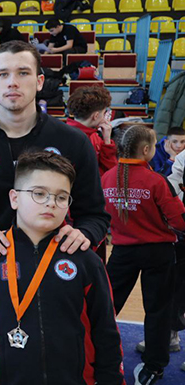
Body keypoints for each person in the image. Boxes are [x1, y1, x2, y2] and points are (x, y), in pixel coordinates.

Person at [0, 151, 125, 384]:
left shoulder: (85, 260)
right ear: (14, 199)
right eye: (39, 193)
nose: (51, 202)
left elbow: (106, 331)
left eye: (61, 197)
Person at [0, 40, 110, 280]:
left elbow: (95, 215)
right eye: (3, 74)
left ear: (39, 81)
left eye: (23, 73)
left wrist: (84, 233)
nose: (13, 82)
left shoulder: (74, 142)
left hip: (57, 273)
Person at [103, 124, 185, 385]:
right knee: (158, 311)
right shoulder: (157, 181)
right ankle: (153, 368)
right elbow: (179, 221)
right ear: (147, 149)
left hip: (122, 251)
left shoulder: (107, 178)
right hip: (158, 253)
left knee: (106, 305)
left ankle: (94, 354)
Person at [66, 85, 117, 175]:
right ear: (96, 116)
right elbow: (110, 172)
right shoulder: (76, 139)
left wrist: (107, 141)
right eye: (104, 113)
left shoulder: (93, 134)